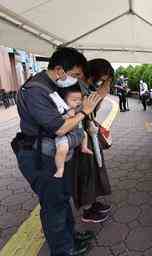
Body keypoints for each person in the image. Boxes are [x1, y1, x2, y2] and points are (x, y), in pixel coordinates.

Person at [11, 47, 102, 256]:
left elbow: (70, 111)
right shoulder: (35, 90)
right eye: (76, 75)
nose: (78, 80)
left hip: (51, 154)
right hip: (38, 158)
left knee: (62, 199)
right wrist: (84, 113)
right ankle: (63, 250)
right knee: (53, 207)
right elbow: (59, 127)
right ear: (60, 70)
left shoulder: (52, 85)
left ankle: (70, 239)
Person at [66, 58, 114, 223]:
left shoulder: (89, 86)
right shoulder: (75, 88)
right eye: (103, 77)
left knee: (93, 170)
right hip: (80, 137)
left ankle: (92, 203)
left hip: (89, 132)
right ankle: (87, 210)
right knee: (85, 172)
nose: (103, 81)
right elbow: (78, 112)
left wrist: (101, 93)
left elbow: (95, 108)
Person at [54, 83, 93, 178]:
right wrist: (68, 114)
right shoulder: (62, 109)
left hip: (75, 132)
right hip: (63, 136)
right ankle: (60, 168)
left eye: (79, 99)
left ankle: (84, 147)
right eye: (74, 100)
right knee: (62, 149)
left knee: (84, 134)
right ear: (64, 101)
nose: (78, 102)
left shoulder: (77, 107)